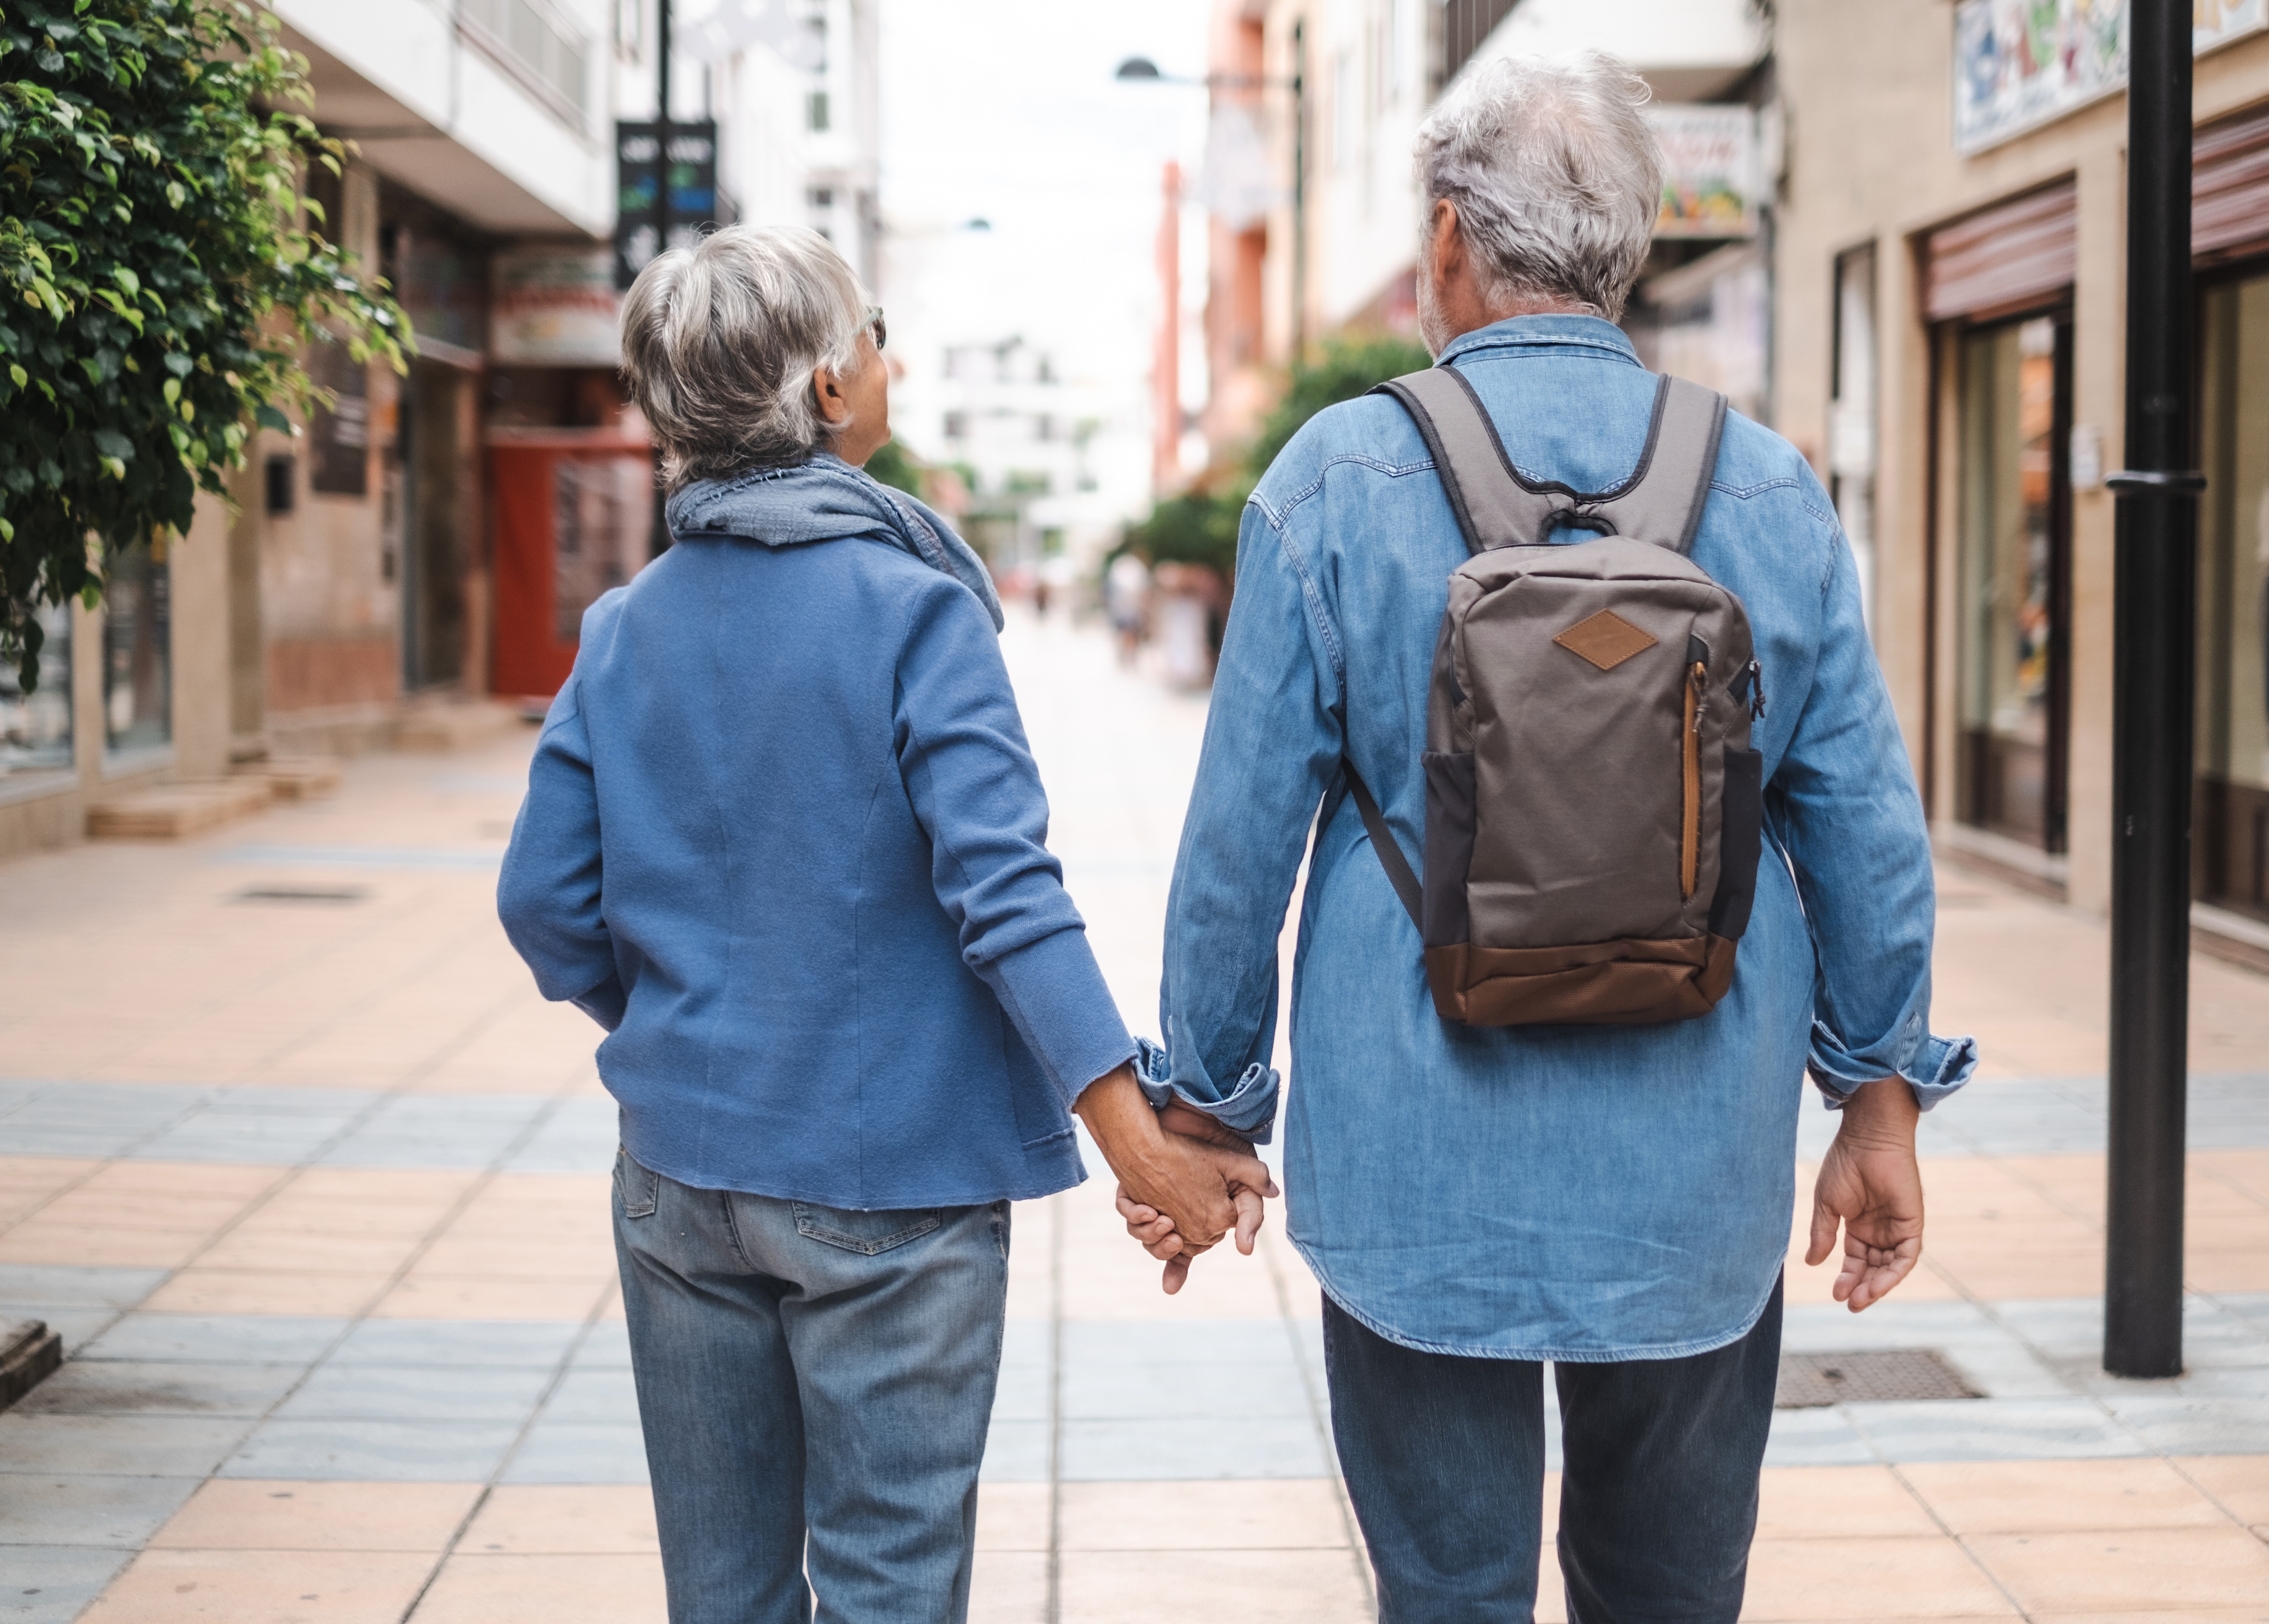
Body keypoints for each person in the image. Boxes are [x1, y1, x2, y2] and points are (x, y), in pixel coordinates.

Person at [1115, 53, 1975, 1624]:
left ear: (1451, 238)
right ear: (1635, 245)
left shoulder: (1337, 476)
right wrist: (1878, 1100)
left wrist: (1213, 1109)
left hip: (1413, 1152)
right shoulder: (1766, 486)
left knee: (1446, 1590)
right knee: (1670, 1590)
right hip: (1693, 1157)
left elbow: (1237, 841)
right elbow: (1863, 822)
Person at [495, 225, 1268, 1624]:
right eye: (875, 330)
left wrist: (687, 1015)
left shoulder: (620, 628)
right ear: (830, 392)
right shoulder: (917, 613)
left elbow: (543, 902)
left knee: (722, 1596)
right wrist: (1141, 1140)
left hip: (678, 1176)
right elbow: (1008, 898)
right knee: (888, 1590)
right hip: (887, 1194)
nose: (885, 352)